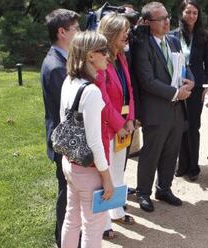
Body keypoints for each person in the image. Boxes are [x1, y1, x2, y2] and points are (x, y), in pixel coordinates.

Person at [132, 1, 194, 212]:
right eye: (161, 19)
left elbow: (184, 68)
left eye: (167, 17)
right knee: (151, 153)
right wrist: (176, 93)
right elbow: (147, 81)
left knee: (171, 151)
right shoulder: (143, 45)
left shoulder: (174, 41)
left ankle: (164, 188)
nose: (167, 21)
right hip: (156, 110)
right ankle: (143, 193)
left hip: (177, 109)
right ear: (148, 22)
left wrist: (190, 81)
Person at [60, 31, 114, 248]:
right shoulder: (91, 91)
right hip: (89, 169)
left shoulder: (69, 80)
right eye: (104, 51)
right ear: (91, 56)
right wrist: (107, 177)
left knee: (71, 219)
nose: (108, 56)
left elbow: (62, 121)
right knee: (93, 226)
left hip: (70, 162)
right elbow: (94, 142)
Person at [40, 9, 80, 247]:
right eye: (76, 29)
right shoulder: (56, 67)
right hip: (64, 142)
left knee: (71, 194)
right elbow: (70, 111)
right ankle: (62, 240)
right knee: (66, 195)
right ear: (62, 32)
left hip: (66, 140)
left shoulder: (64, 59)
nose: (80, 33)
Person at [97, 13, 136, 237]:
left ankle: (117, 210)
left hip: (122, 125)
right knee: (106, 176)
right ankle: (103, 224)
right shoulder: (100, 60)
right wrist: (120, 123)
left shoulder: (121, 56)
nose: (127, 35)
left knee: (118, 171)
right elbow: (102, 100)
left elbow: (129, 89)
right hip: (107, 127)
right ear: (112, 34)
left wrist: (130, 118)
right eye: (124, 31)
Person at [170, 0, 208, 182]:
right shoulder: (172, 36)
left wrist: (206, 87)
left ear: (198, 15)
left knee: (193, 126)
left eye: (195, 13)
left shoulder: (204, 36)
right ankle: (182, 165)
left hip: (196, 88)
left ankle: (193, 167)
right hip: (177, 87)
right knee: (180, 125)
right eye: (188, 12)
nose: (191, 16)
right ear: (182, 13)